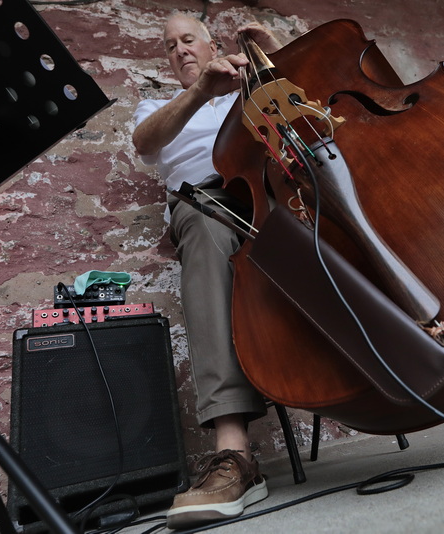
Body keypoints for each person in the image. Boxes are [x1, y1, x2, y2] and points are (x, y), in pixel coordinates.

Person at [132, 12, 282, 529]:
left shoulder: (249, 85)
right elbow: (145, 143)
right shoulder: (159, 105)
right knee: (196, 216)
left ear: (212, 44)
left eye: (188, 39)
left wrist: (274, 54)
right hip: (210, 204)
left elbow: (307, 108)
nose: (179, 49)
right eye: (169, 45)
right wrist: (200, 92)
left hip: (272, 193)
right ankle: (235, 451)